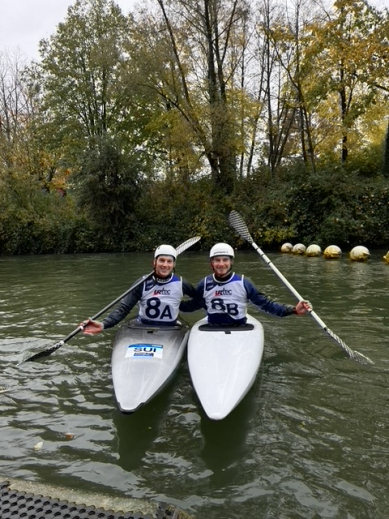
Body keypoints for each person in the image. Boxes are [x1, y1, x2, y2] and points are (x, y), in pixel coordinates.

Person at [179, 242, 311, 325]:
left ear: (231, 262)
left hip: (239, 328)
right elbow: (193, 306)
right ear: (211, 263)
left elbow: (266, 305)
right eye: (217, 260)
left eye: (225, 260)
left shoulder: (244, 283)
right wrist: (169, 301)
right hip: (213, 328)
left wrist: (293, 310)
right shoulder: (205, 284)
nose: (221, 264)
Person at [82, 245, 197, 335]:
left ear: (174, 264)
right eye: (161, 260)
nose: (165, 265)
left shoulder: (182, 283)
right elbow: (124, 308)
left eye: (169, 261)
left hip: (170, 328)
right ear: (154, 262)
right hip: (143, 326)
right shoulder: (141, 283)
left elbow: (198, 300)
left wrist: (181, 306)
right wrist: (103, 324)